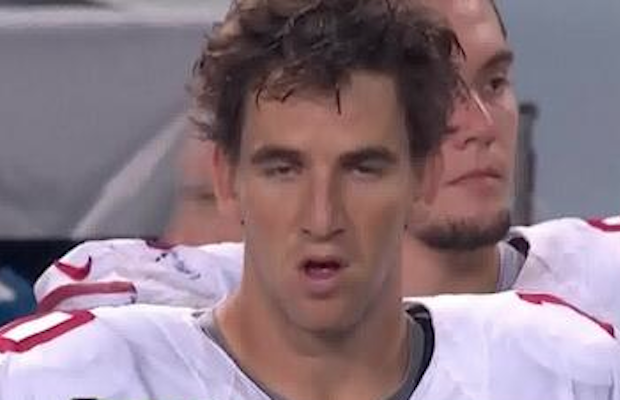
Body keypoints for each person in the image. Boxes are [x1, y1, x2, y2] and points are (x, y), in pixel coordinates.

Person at [4, 2, 620, 399]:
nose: (322, 217)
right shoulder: (70, 379)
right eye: (284, 169)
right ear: (227, 178)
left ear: (424, 177)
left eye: (363, 168)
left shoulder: (563, 371)